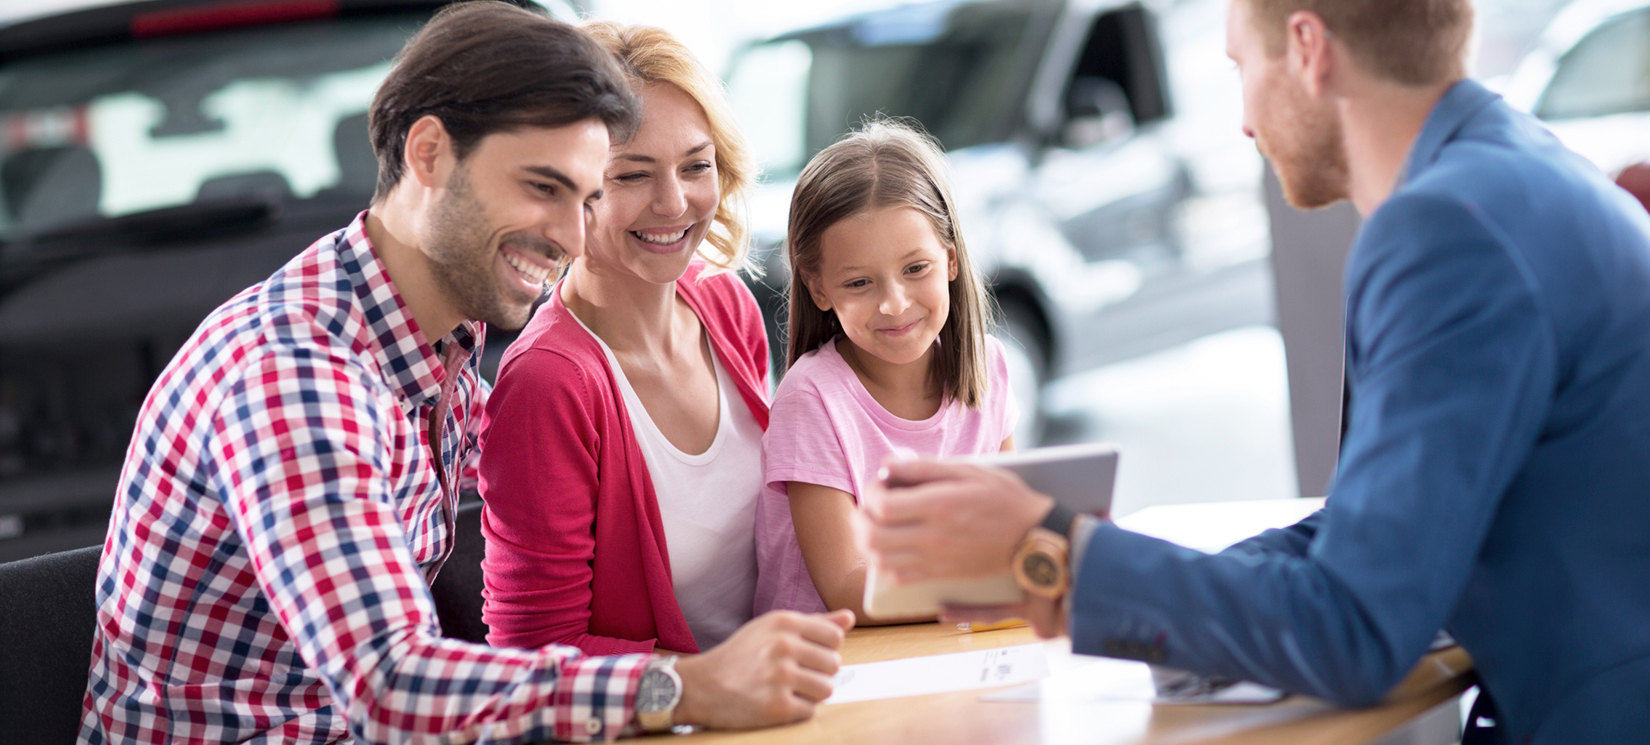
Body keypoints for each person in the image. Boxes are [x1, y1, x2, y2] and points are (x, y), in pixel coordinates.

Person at [859, 1, 1650, 743]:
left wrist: (1049, 549)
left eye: (1241, 68)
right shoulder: (1518, 172)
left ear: (1307, 51)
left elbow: (1356, 627)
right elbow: (1369, 531)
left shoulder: (1447, 231)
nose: (1241, 121)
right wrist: (1129, 571)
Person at [79, 5, 849, 744]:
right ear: (429, 154)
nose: (570, 235)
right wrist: (687, 686)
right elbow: (391, 685)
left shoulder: (439, 338)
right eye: (542, 187)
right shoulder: (299, 372)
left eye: (586, 198)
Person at [476, 21, 812, 657]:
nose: (673, 202)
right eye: (632, 175)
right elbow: (534, 652)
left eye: (696, 167)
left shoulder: (725, 305)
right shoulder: (549, 383)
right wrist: (711, 686)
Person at [753, 120, 1016, 623]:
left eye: (916, 269)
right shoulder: (812, 398)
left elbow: (1010, 525)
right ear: (819, 289)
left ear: (951, 261)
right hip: (836, 665)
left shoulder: (991, 367)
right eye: (859, 283)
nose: (894, 305)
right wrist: (997, 584)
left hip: (947, 639)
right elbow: (848, 587)